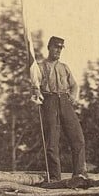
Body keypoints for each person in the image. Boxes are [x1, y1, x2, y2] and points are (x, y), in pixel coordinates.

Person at [31, 36, 87, 182]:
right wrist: (37, 92)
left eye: (61, 48)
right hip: (49, 101)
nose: (58, 50)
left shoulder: (64, 67)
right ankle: (55, 178)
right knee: (52, 141)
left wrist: (73, 96)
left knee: (78, 137)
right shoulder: (40, 67)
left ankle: (79, 174)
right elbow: (35, 85)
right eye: (56, 47)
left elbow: (74, 85)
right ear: (49, 47)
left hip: (64, 101)